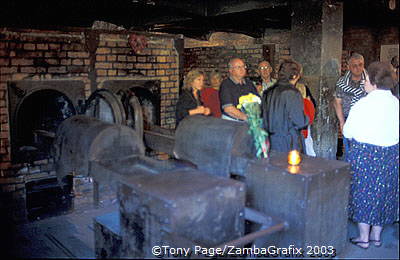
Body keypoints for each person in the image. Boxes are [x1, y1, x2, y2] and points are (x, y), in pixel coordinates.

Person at [343, 61, 399, 249]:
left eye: (366, 78)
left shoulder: (362, 104)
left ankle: (363, 238)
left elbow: (347, 132)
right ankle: (376, 236)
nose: (363, 82)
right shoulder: (396, 103)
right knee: (384, 193)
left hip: (366, 155)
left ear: (373, 81)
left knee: (363, 195)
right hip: (391, 155)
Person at [262, 59, 309, 153]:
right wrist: (306, 118)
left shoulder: (268, 92)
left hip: (270, 142)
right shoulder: (293, 93)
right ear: (295, 76)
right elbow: (299, 121)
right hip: (289, 143)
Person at [333, 53, 367, 159]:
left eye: (360, 65)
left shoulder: (370, 82)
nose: (358, 68)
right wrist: (342, 122)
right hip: (348, 119)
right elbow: (337, 102)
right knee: (348, 149)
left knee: (363, 150)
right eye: (354, 65)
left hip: (365, 120)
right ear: (348, 67)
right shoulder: (342, 82)